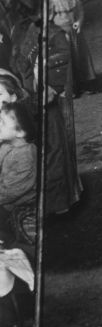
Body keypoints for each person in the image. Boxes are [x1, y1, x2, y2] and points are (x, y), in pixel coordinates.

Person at [49, 0, 96, 95]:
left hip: (75, 32)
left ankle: (85, 84)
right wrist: (57, 34)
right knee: (67, 59)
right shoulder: (52, 2)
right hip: (61, 34)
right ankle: (72, 88)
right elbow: (49, 21)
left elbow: (80, 10)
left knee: (80, 56)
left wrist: (79, 22)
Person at [0, 101, 37, 245]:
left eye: (2, 122)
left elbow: (12, 191)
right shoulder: (6, 145)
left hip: (19, 206)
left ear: (20, 132)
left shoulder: (26, 155)